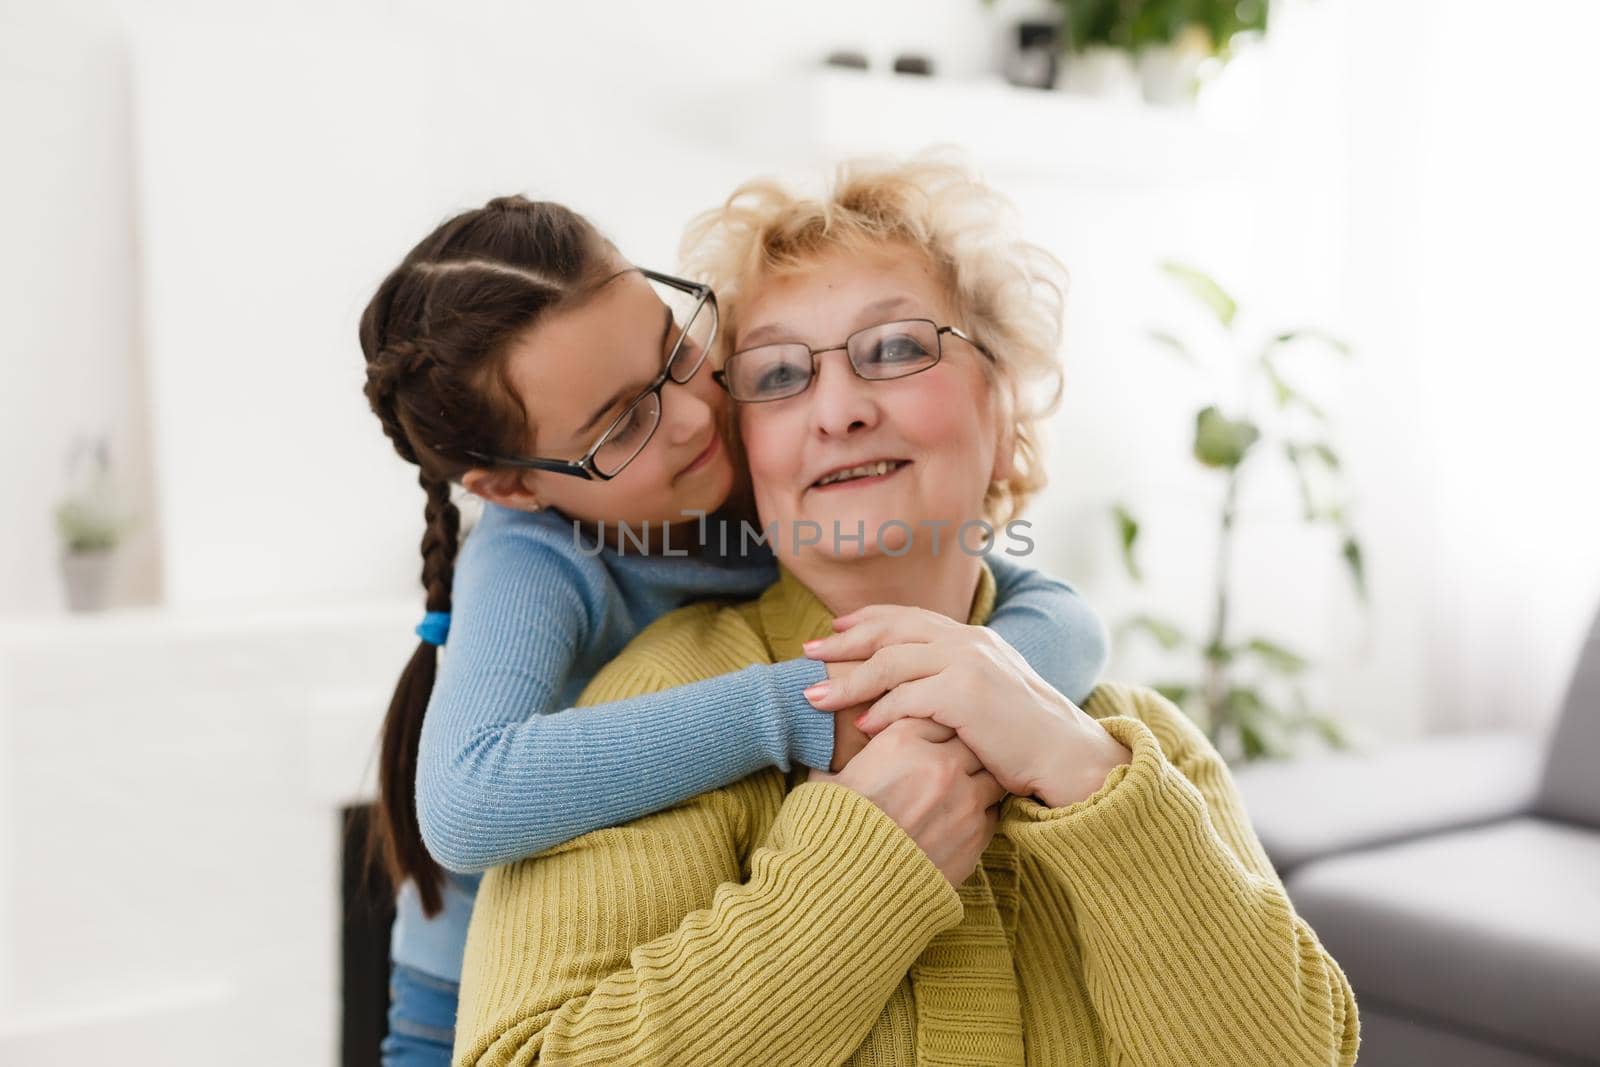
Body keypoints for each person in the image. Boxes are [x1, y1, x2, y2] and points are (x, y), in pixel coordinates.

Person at [453, 160, 1361, 1066]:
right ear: (745, 443)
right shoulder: (653, 715)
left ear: (1004, 412)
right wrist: (864, 869)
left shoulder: (1129, 742)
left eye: (894, 349)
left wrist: (1084, 778)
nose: (840, 409)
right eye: (776, 375)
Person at [357, 195, 1109, 1064]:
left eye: (677, 350)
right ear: (513, 487)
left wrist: (986, 705)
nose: (686, 414)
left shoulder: (734, 464)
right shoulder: (531, 556)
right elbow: (466, 802)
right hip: (468, 1003)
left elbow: (1054, 609)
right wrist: (805, 709)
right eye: (621, 423)